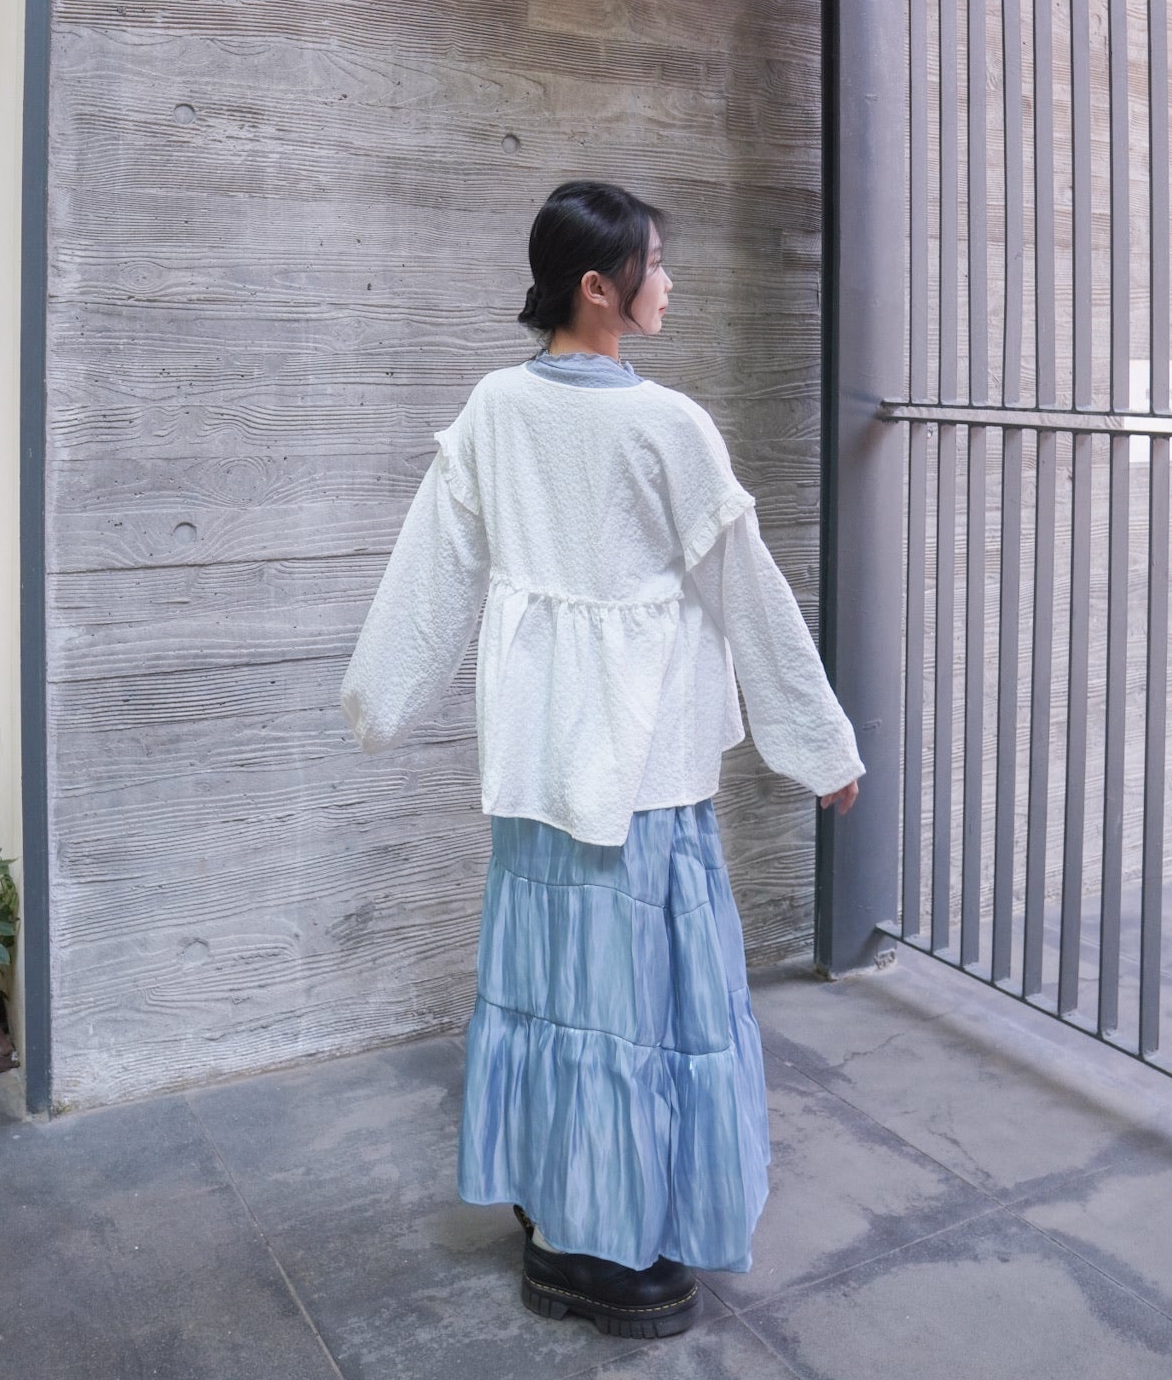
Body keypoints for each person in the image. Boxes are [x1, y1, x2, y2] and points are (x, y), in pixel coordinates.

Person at [340, 180, 863, 1342]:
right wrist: (819, 743)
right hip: (641, 778)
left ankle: (563, 1200)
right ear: (597, 285)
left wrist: (379, 702)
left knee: (556, 995)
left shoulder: (496, 407)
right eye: (654, 263)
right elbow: (748, 590)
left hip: (539, 765)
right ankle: (609, 1237)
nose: (667, 282)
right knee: (635, 1011)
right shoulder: (667, 425)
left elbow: (432, 572)